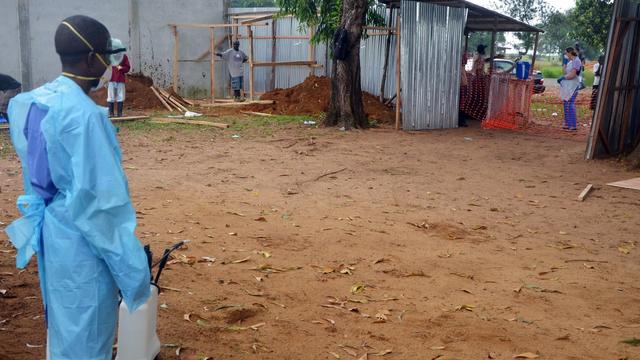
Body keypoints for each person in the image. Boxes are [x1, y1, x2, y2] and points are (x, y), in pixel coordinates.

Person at [5, 15, 150, 359]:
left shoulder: (36, 101)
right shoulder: (84, 116)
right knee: (86, 333)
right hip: (80, 240)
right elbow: (100, 208)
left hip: (54, 233)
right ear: (91, 60)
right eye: (105, 56)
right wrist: (135, 275)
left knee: (62, 322)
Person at [557, 47, 582, 131]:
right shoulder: (570, 61)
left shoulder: (577, 61)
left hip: (573, 85)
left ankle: (573, 124)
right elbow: (565, 72)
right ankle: (567, 123)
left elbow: (572, 75)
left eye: (566, 53)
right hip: (567, 86)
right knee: (566, 103)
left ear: (570, 52)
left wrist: (563, 78)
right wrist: (564, 63)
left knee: (570, 104)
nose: (565, 54)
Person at [107, 38, 130, 117]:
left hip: (120, 79)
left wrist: (121, 68)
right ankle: (111, 113)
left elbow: (127, 68)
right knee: (111, 96)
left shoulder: (124, 57)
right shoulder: (109, 57)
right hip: (111, 79)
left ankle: (119, 113)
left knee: (120, 96)